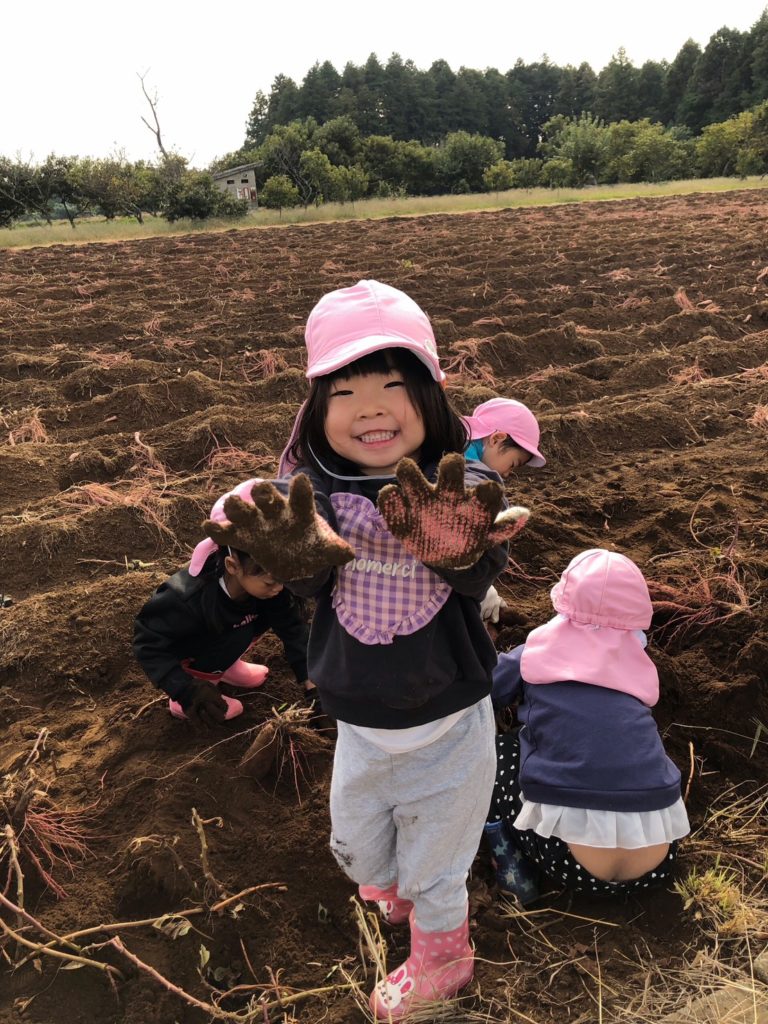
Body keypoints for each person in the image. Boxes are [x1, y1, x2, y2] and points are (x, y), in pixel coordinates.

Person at [202, 280, 530, 1020]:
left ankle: (445, 958)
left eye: (393, 387)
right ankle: (396, 889)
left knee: (436, 865)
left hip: (448, 724)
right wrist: (290, 552)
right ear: (316, 410)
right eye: (344, 392)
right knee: (357, 848)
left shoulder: (462, 483)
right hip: (357, 719)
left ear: (430, 397)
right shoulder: (314, 489)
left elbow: (478, 569)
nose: (370, 409)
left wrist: (454, 542)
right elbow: (311, 582)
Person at [485, 548, 690, 903]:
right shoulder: (638, 665)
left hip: (571, 864)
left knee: (497, 751)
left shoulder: (534, 652)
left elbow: (485, 690)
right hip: (659, 861)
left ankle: (511, 865)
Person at [133, 478, 314, 727]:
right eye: (270, 582)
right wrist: (185, 690)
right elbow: (148, 644)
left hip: (225, 638)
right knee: (229, 631)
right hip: (191, 650)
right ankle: (200, 681)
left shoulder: (267, 585)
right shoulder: (187, 600)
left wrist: (313, 687)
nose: (279, 588)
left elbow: (293, 629)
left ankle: (225, 666)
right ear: (232, 565)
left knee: (255, 621)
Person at [463, 399, 545, 626]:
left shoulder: (447, 445)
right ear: (496, 438)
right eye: (513, 463)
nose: (508, 474)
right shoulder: (470, 480)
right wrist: (480, 587)